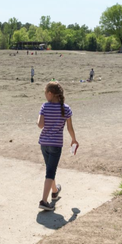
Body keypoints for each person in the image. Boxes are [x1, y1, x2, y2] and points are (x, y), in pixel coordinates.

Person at [37, 81, 78, 211]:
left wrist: (39, 115)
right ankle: (44, 201)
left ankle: (54, 191)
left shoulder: (44, 107)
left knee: (49, 169)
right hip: (56, 144)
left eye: (45, 93)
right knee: (50, 171)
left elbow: (40, 125)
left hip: (44, 143)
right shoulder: (66, 108)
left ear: (50, 94)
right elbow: (70, 128)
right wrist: (74, 140)